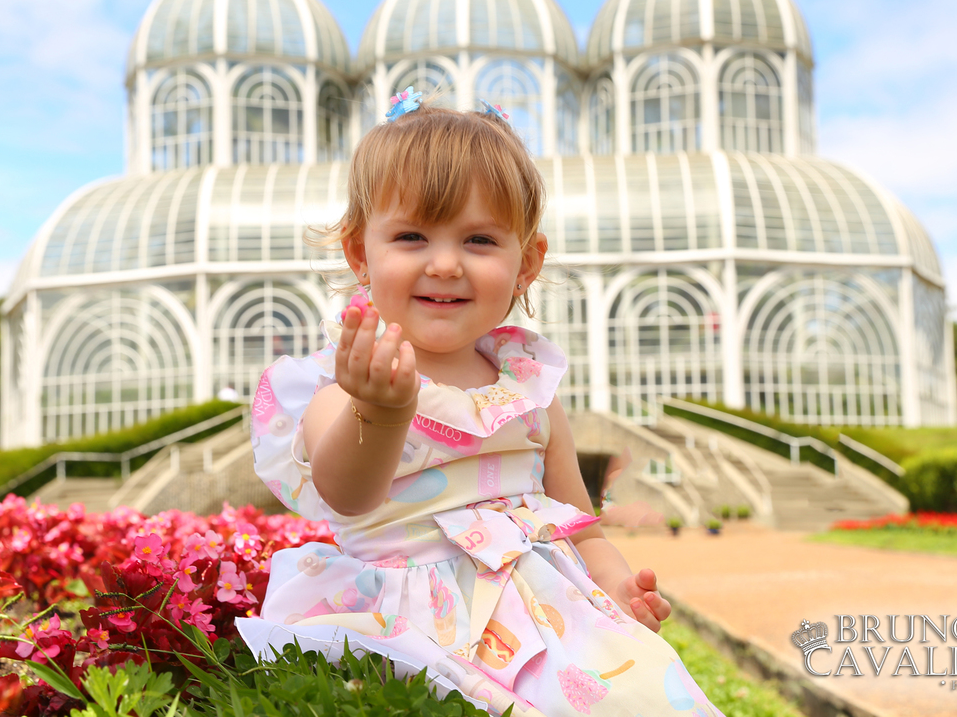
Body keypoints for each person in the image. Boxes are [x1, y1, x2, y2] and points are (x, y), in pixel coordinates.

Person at [248, 95, 723, 716]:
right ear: (360, 254)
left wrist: (616, 584)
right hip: (411, 621)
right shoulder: (342, 386)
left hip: (547, 614)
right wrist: (381, 411)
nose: (444, 264)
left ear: (525, 263)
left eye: (478, 240)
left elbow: (580, 522)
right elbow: (347, 493)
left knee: (639, 697)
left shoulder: (526, 388)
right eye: (412, 236)